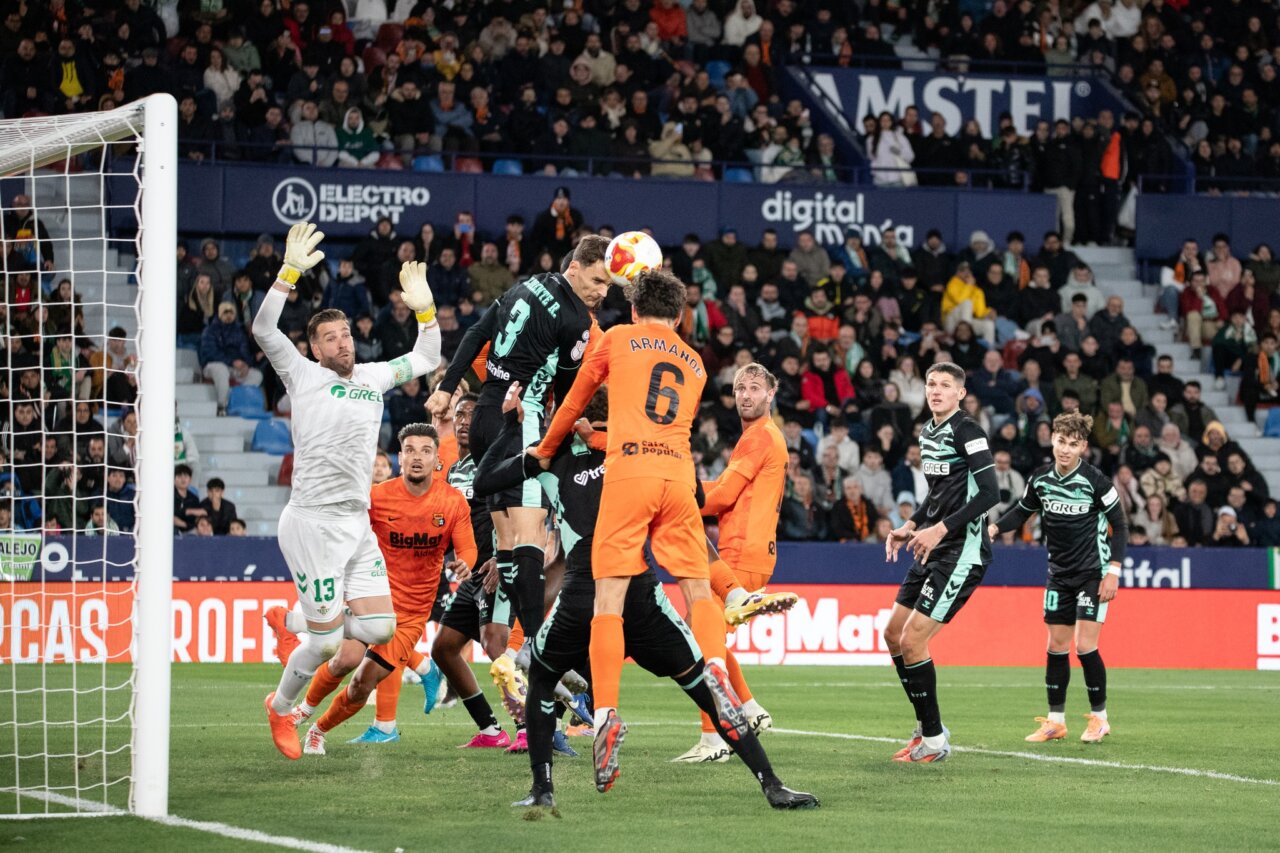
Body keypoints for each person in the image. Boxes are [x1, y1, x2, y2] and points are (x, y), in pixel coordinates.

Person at [529, 270, 741, 794]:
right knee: (696, 588)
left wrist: (544, 450)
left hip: (631, 475)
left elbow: (576, 401)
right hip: (678, 475)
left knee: (609, 597)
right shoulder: (693, 360)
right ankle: (714, 663)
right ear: (679, 315)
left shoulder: (617, 338)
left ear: (632, 307)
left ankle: (604, 713)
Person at [253, 222, 442, 760]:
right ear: (313, 348)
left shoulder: (374, 376)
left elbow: (427, 356)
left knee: (380, 626)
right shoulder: (301, 375)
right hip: (311, 521)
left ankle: (291, 621)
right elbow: (265, 328)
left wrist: (425, 308)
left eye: (346, 335)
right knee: (330, 642)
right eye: (330, 338)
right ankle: (281, 707)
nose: (342, 343)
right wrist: (288, 273)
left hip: (355, 520)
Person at [426, 235, 610, 652]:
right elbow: (566, 391)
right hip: (521, 417)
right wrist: (565, 437)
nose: (601, 292)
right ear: (575, 268)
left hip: (486, 413)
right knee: (531, 536)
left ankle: (515, 640)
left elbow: (476, 332)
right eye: (598, 281)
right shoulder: (577, 321)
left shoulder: (524, 286)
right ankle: (530, 643)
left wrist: (447, 386)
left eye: (608, 287)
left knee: (508, 541)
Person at [288, 424, 475, 754]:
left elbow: (468, 549)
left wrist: (465, 563)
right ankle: (301, 711)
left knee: (362, 683)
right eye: (411, 450)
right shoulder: (377, 498)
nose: (418, 457)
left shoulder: (452, 502)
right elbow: (346, 533)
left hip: (413, 612)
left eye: (426, 451)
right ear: (399, 458)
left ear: (436, 460)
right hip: (373, 597)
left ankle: (318, 730)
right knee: (344, 657)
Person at [676, 363, 798, 763]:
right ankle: (747, 707)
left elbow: (723, 496)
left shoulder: (759, 436)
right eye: (740, 388)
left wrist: (676, 490)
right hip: (749, 551)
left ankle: (714, 739)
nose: (746, 394)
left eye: (755, 388)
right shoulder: (762, 436)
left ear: (770, 394)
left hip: (740, 554)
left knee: (702, 640)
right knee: (706, 634)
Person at [884, 362, 999, 762]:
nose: (935, 390)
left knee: (913, 640)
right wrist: (912, 524)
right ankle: (925, 727)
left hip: (962, 551)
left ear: (960, 393)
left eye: (945, 385)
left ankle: (935, 740)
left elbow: (990, 494)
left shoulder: (968, 431)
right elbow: (936, 495)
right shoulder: (928, 432)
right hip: (931, 544)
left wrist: (940, 529)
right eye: (931, 384)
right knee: (892, 634)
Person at [991, 412, 1127, 744]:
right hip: (1058, 575)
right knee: (1056, 646)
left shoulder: (1096, 482)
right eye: (1061, 441)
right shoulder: (1040, 479)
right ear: (1052, 439)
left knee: (1084, 646)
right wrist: (994, 526)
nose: (1065, 449)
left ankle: (1100, 719)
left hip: (1092, 574)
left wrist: (1114, 572)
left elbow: (1120, 525)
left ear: (1083, 447)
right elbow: (1023, 510)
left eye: (1073, 444)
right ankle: (1055, 722)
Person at [431, 394, 519, 750]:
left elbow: (513, 512)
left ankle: (533, 727)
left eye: (470, 414)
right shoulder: (456, 470)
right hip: (472, 574)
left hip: (497, 566)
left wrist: (503, 557)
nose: (464, 420)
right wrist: (451, 556)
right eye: (458, 415)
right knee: (444, 648)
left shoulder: (498, 459)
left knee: (496, 644)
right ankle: (490, 729)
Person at [200, 301, 264, 415]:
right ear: (220, 314)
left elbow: (245, 353)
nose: (228, 315)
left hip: (234, 368)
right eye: (225, 313)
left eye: (231, 313)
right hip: (213, 365)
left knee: (256, 375)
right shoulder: (210, 331)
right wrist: (231, 361)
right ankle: (222, 406)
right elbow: (210, 353)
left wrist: (246, 364)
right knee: (221, 370)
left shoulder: (239, 332)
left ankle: (235, 399)